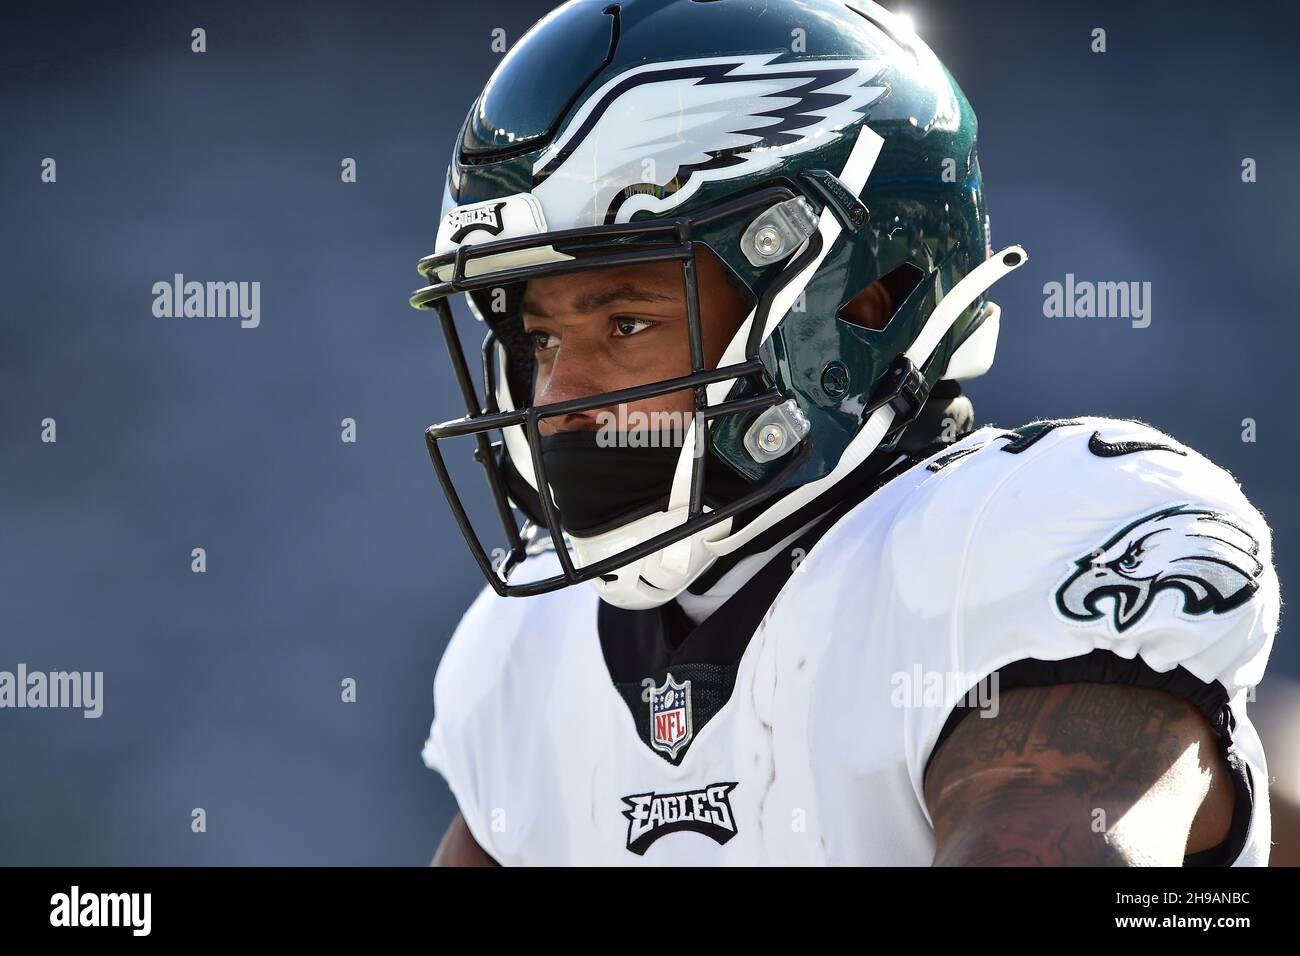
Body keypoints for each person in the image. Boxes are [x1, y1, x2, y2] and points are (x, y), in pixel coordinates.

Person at [410, 0, 1278, 865]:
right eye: (539, 339)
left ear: (860, 299)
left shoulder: (1001, 544)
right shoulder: (530, 648)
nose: (560, 399)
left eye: (626, 324)